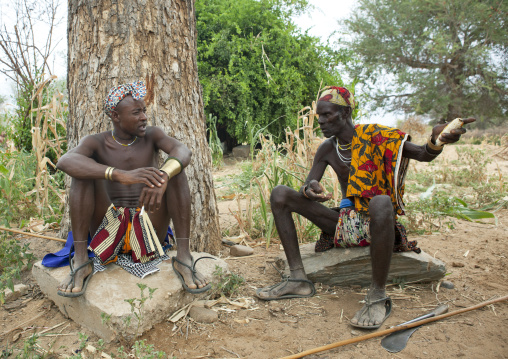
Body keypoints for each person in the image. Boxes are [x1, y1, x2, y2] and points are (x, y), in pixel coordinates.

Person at [255, 86, 474, 329]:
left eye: (327, 114)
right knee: (280, 194)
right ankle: (298, 278)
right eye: (319, 116)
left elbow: (423, 154)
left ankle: (377, 295)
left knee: (380, 201)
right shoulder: (328, 148)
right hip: (343, 225)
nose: (321, 121)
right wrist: (310, 189)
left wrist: (436, 140)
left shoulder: (376, 136)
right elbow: (309, 183)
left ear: (346, 112)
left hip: (377, 223)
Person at [55, 81, 210, 297]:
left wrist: (163, 175)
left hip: (149, 229)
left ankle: (184, 257)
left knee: (177, 171)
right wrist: (120, 174)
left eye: (144, 111)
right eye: (136, 112)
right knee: (81, 174)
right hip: (106, 232)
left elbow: (182, 150)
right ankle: (81, 260)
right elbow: (65, 161)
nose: (144, 117)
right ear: (116, 116)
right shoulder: (96, 142)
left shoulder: (153, 136)